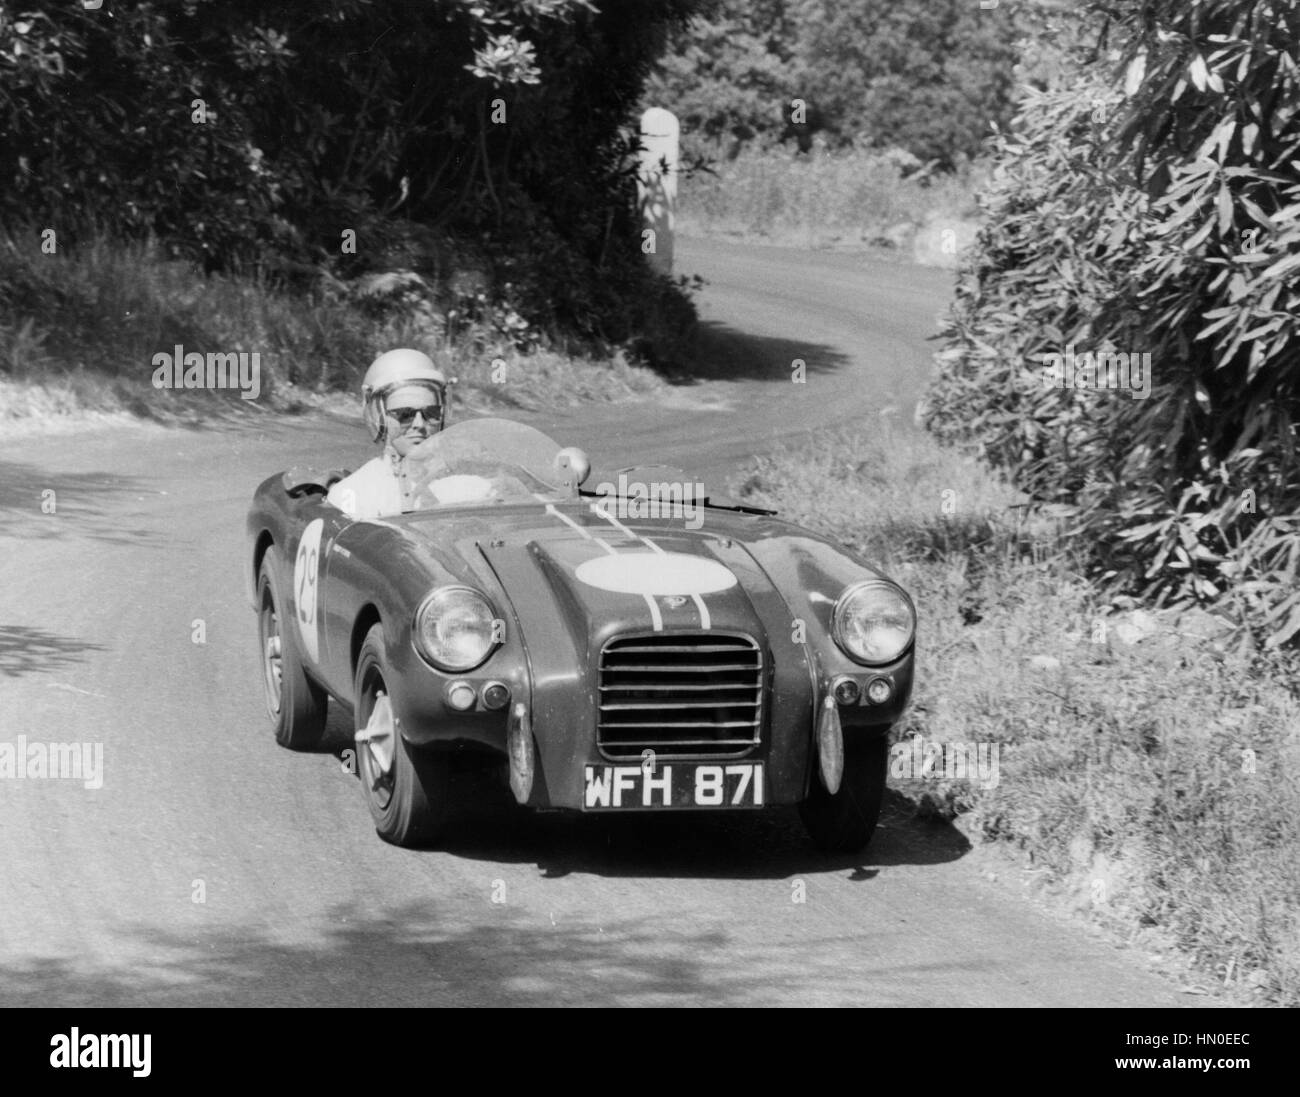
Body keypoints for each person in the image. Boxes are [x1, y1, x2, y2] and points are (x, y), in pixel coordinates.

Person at [327, 348, 449, 519]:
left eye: (432, 412)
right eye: (404, 414)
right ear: (379, 416)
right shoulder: (353, 495)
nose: (419, 424)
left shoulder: (465, 486)